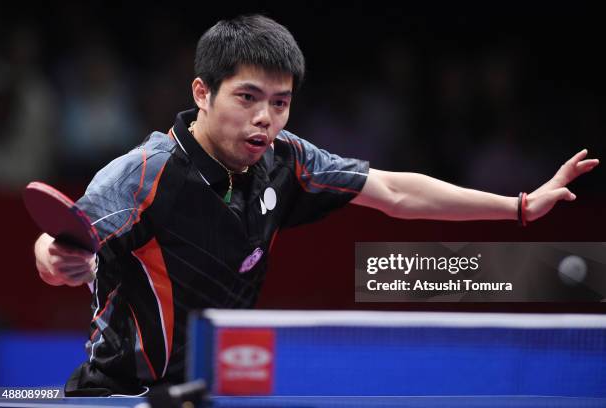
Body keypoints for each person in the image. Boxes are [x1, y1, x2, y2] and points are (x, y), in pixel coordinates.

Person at [33, 15, 599, 396]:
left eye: (280, 103)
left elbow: (395, 192)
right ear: (202, 93)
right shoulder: (145, 173)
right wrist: (55, 259)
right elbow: (61, 237)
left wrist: (519, 207)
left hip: (208, 394)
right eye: (248, 98)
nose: (265, 119)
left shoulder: (287, 158)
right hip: (116, 397)